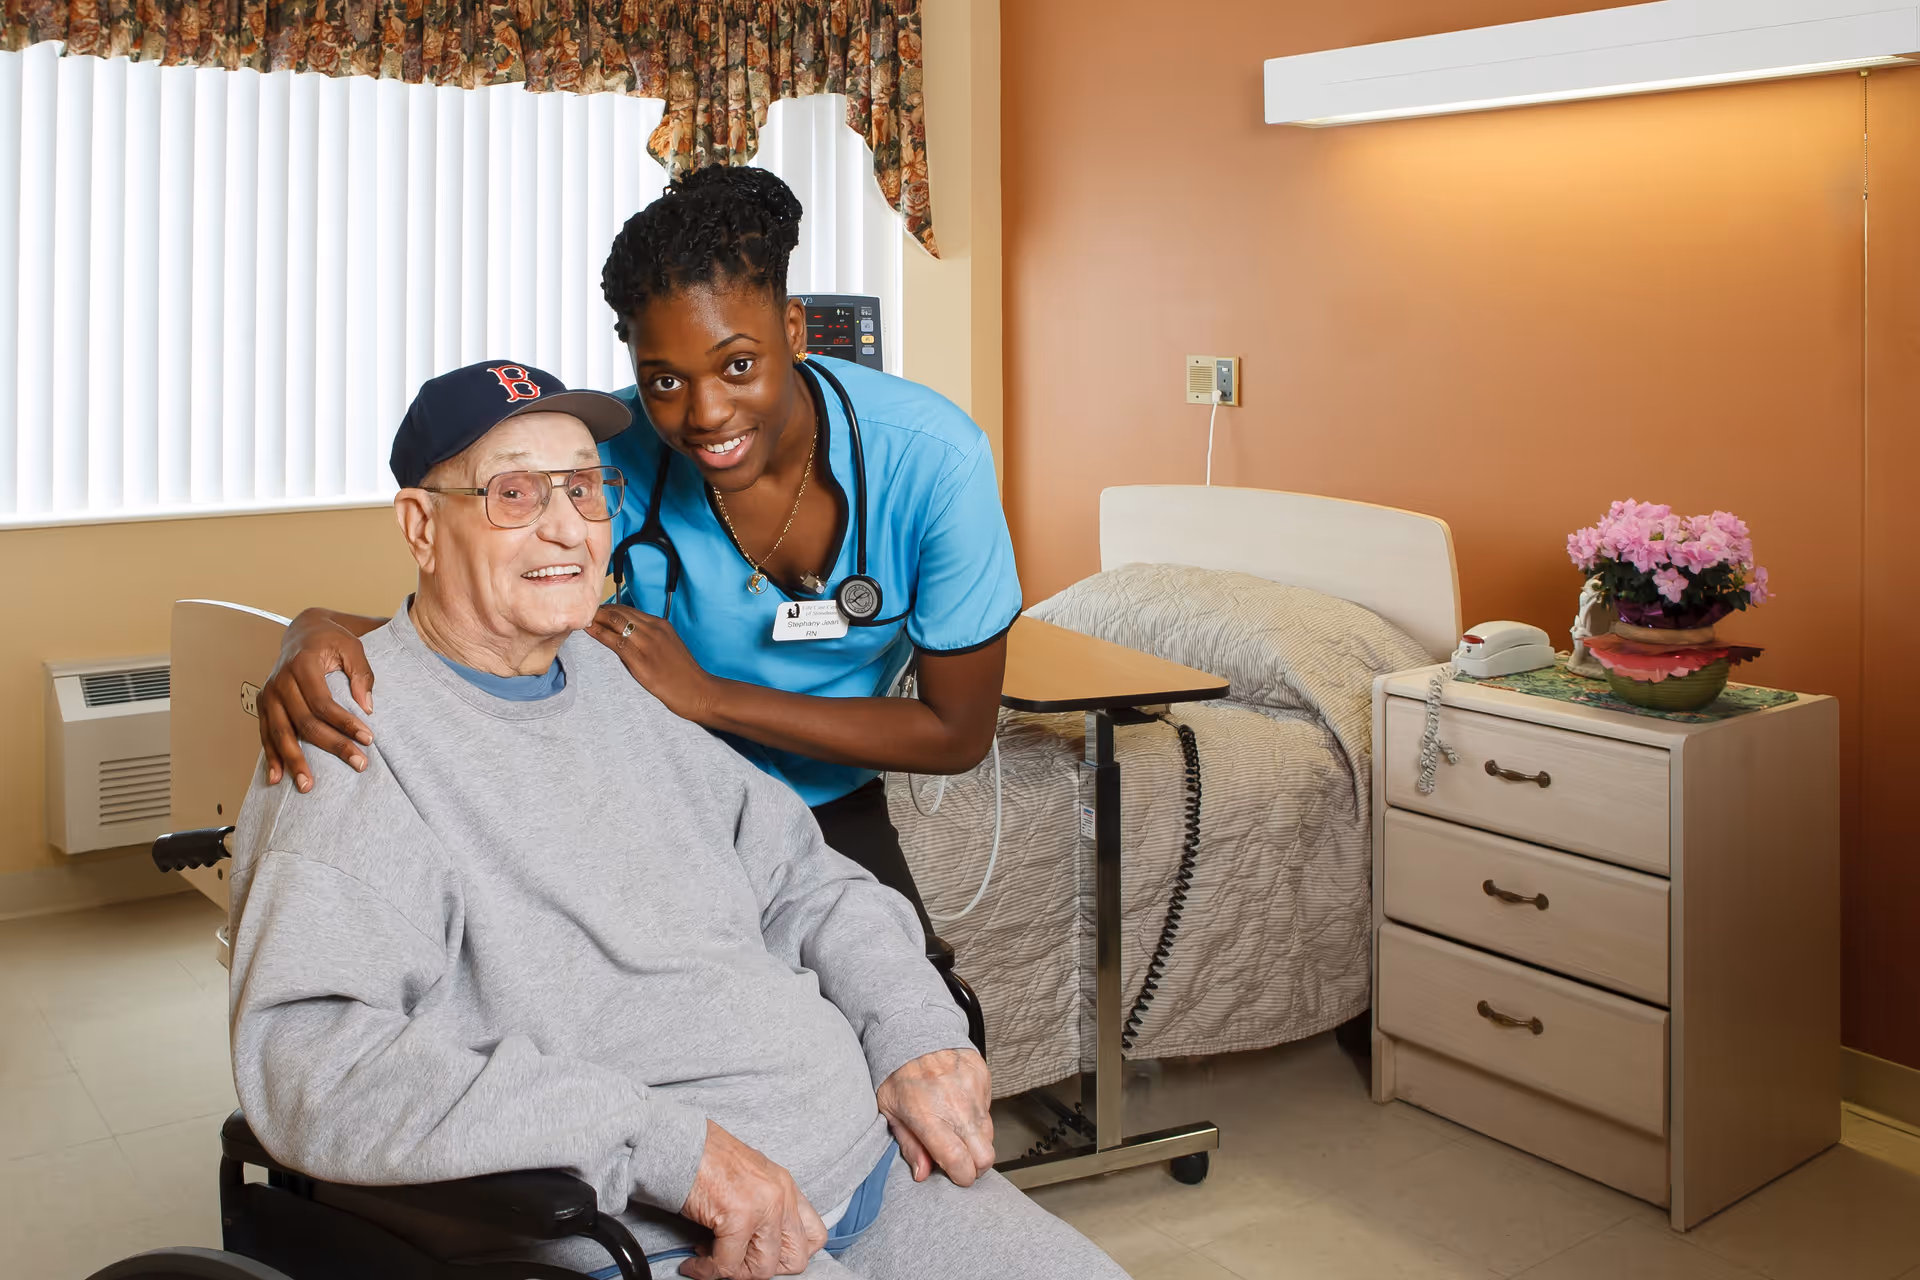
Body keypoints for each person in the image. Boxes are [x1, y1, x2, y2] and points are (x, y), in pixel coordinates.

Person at [226, 365, 1124, 1280]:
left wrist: (914, 1030)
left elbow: (803, 878)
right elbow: (313, 1064)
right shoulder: (350, 738)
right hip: (677, 1235)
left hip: (880, 1167)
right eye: (513, 494)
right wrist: (674, 1154)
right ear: (421, 526)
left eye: (582, 487)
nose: (566, 526)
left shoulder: (613, 674)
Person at [252, 169, 1019, 936]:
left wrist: (709, 697)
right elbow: (487, 622)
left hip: (825, 805)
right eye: (663, 381)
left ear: (794, 330)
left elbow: (956, 732)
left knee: (913, 1004)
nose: (705, 413)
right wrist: (318, 628)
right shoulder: (599, 457)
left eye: (738, 364)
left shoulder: (933, 462)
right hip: (640, 787)